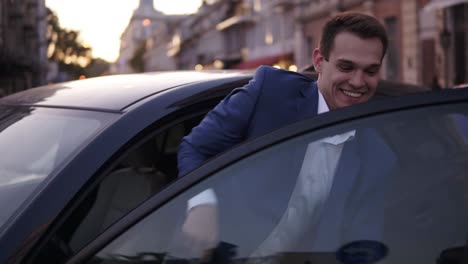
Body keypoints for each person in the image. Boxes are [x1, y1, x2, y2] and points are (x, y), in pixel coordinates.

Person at [177, 12, 389, 258]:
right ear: (319, 61)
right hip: (212, 253)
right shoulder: (269, 93)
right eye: (346, 67)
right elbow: (195, 148)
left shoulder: (378, 155)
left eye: (370, 71)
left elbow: (361, 245)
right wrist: (202, 205)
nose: (358, 81)